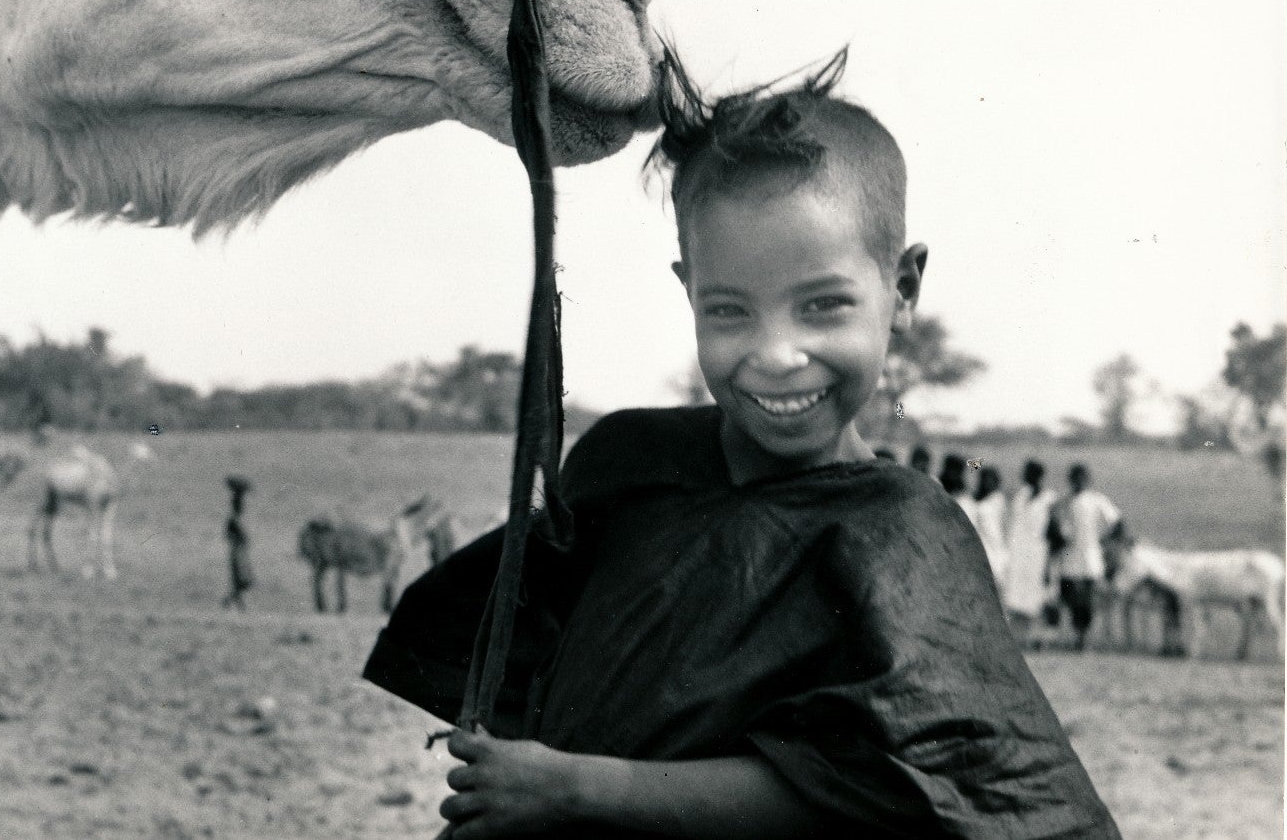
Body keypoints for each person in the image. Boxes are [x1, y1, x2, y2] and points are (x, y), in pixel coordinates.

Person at [363, 50, 1119, 839]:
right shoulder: (630, 460)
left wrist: (581, 787)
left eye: (823, 305)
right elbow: (531, 666)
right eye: (730, 312)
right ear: (688, 286)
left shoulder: (901, 536)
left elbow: (889, 788)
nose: (776, 354)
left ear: (903, 288)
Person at [1052, 462, 1121, 651]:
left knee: (1088, 600)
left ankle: (1083, 639)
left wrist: (1106, 541)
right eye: (1075, 478)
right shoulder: (1063, 501)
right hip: (1069, 558)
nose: (1078, 482)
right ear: (1070, 480)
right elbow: (1056, 528)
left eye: (1082, 478)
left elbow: (1116, 522)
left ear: (1087, 480)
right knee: (1071, 597)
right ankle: (1075, 635)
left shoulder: (1097, 500)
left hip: (1090, 556)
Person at [1004, 459, 1058, 646]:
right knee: (1019, 596)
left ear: (1039, 476)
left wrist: (1049, 555)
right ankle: (1020, 639)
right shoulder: (1019, 496)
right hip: (1019, 551)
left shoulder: (1049, 499)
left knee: (1040, 596)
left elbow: (1054, 530)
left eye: (1031, 473)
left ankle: (1041, 640)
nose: (1026, 477)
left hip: (1039, 552)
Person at [971, 465, 1009, 587]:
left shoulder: (998, 500)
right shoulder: (977, 500)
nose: (987, 483)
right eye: (985, 479)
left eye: (990, 480)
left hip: (995, 551)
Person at [221, 475, 255, 612]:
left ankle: (234, 603)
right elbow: (230, 535)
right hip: (237, 550)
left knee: (241, 579)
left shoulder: (234, 519)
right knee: (241, 578)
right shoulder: (234, 520)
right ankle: (235, 604)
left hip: (238, 549)